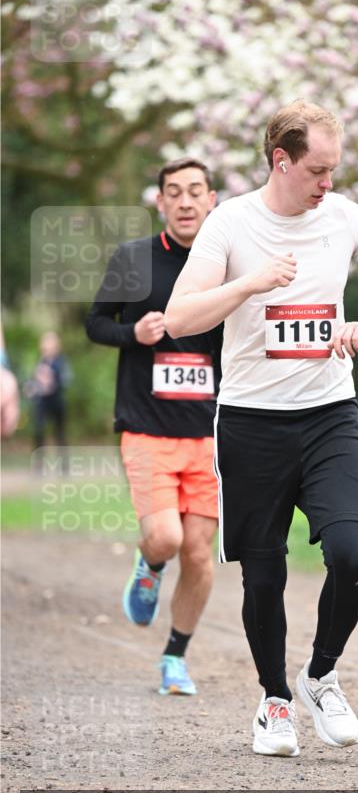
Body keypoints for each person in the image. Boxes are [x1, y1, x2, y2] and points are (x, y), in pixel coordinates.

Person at [165, 101, 358, 755]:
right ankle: (274, 702)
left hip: (328, 415)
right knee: (264, 575)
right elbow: (179, 318)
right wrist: (249, 284)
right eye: (317, 169)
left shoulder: (343, 218)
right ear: (280, 161)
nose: (327, 183)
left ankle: (319, 676)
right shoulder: (231, 223)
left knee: (351, 553)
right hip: (252, 424)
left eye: (333, 169)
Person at [86, 158, 221, 696]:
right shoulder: (133, 259)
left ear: (212, 200)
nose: (186, 202)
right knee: (167, 538)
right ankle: (148, 561)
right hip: (146, 427)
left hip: (210, 432)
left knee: (198, 552)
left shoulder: (229, 265)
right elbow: (96, 323)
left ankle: (174, 657)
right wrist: (133, 335)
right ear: (160, 202)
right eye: (174, 192)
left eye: (195, 191)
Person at [27, 331, 71, 467]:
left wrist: (53, 382)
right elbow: (35, 383)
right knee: (38, 431)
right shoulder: (41, 361)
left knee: (60, 434)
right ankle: (38, 465)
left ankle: (64, 466)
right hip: (42, 402)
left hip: (57, 401)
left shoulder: (61, 362)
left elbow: (66, 380)